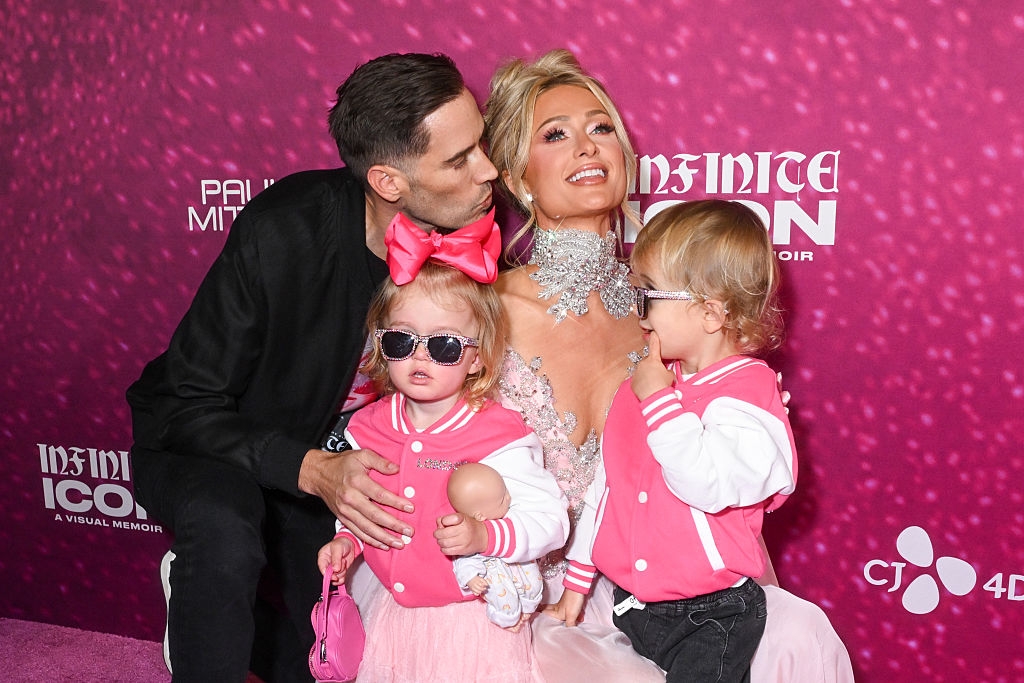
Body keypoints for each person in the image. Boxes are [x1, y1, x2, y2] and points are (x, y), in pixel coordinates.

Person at [484, 48, 855, 682]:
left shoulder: (680, 317)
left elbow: (727, 473)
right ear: (518, 176)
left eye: (601, 128)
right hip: (513, 596)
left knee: (795, 635)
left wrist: (745, 417)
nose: (587, 146)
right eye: (556, 134)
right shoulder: (482, 314)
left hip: (657, 592)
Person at [125, 52, 498, 682]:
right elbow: (185, 405)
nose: (488, 170)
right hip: (213, 444)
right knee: (224, 530)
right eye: (459, 160)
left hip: (340, 463)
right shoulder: (284, 230)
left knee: (329, 662)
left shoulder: (471, 235)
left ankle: (206, 613)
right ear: (388, 182)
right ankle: (205, 590)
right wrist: (310, 468)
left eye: (480, 144)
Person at [549, 200, 798, 682]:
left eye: (648, 296)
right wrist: (577, 586)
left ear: (710, 312)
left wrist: (659, 403)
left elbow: (704, 483)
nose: (637, 312)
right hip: (633, 606)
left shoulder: (748, 395)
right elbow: (608, 489)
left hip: (712, 615)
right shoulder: (646, 385)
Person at [316, 222, 568, 682]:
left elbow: (551, 520)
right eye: (401, 340)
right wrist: (347, 541)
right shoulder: (367, 428)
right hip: (391, 615)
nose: (420, 357)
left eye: (445, 345)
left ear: (478, 357)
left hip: (470, 620)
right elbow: (364, 506)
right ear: (379, 344)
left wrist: (484, 536)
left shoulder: (497, 434)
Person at [448, 462, 545, 631]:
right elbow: (463, 561)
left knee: (534, 582)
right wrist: (471, 579)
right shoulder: (470, 536)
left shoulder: (510, 514)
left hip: (520, 565)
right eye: (502, 499)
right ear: (480, 515)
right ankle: (506, 619)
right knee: (505, 599)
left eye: (506, 492)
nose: (508, 498)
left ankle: (529, 606)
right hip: (496, 575)